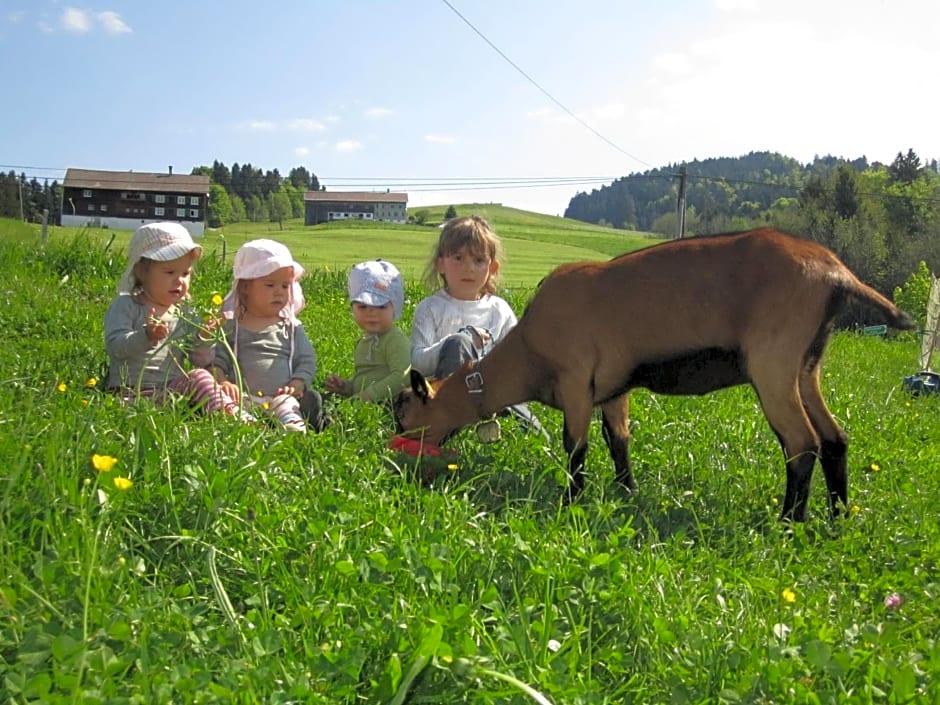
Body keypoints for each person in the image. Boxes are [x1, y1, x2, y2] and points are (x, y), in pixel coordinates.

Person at [410, 215, 546, 437]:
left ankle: (533, 449)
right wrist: (458, 340)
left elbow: (519, 361)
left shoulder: (498, 310)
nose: (469, 268)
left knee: (536, 436)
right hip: (445, 393)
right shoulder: (430, 309)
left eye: (479, 260)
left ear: (492, 267)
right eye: (458, 258)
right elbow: (417, 364)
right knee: (459, 343)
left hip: (493, 394)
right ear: (440, 264)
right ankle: (452, 432)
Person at [104, 222, 249, 419]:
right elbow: (116, 347)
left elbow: (199, 359)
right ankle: (228, 413)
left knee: (199, 377)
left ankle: (236, 417)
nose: (179, 280)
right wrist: (145, 336)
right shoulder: (128, 305)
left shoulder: (184, 312)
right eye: (169, 272)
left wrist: (204, 337)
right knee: (196, 382)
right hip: (129, 392)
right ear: (141, 272)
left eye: (185, 273)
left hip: (171, 391)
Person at [212, 239, 326, 433]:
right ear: (246, 287)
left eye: (284, 286)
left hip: (280, 395)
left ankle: (294, 424)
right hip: (243, 396)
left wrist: (297, 382)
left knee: (287, 404)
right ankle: (249, 423)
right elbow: (218, 359)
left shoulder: (291, 328)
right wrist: (223, 381)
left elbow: (306, 360)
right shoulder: (233, 326)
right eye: (270, 285)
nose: (279, 292)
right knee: (228, 404)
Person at [325, 260, 411, 403]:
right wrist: (347, 386)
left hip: (391, 405)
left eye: (381, 307)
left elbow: (402, 376)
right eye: (363, 307)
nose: (372, 313)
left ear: (395, 307)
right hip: (366, 403)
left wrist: (365, 398)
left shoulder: (394, 339)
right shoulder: (364, 341)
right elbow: (367, 377)